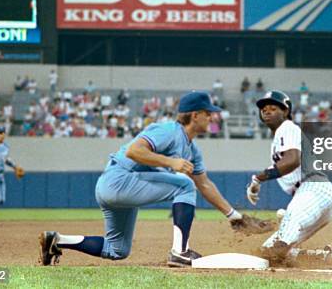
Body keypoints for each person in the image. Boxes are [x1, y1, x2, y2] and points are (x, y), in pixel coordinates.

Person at [38, 91, 250, 267]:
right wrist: (171, 162)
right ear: (195, 115)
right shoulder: (168, 130)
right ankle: (180, 251)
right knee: (184, 185)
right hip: (118, 179)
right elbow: (133, 151)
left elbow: (204, 184)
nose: (212, 117)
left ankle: (56, 240)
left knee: (117, 249)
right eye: (208, 113)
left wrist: (233, 215)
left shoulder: (192, 149)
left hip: (118, 188)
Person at [246, 90, 332, 264]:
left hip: (314, 188)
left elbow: (292, 160)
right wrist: (256, 181)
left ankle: (284, 234)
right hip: (312, 195)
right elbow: (282, 163)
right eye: (263, 108)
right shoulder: (280, 136)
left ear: (286, 112)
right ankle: (320, 255)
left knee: (280, 245)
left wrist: (259, 178)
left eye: (273, 108)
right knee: (267, 250)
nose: (266, 111)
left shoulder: (287, 127)